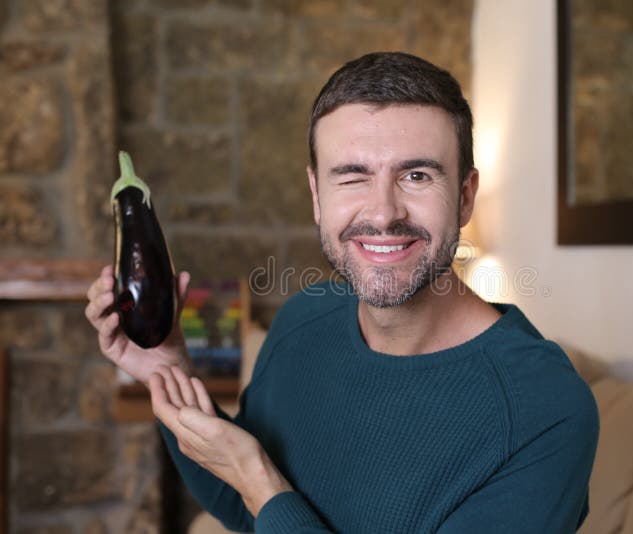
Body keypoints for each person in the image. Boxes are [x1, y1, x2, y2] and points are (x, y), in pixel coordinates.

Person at [85, 51, 599, 533]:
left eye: (416, 175)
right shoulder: (301, 321)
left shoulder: (545, 410)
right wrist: (167, 366)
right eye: (352, 177)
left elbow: (263, 493)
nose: (382, 212)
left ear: (465, 197)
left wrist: (261, 480)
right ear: (315, 195)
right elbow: (247, 510)